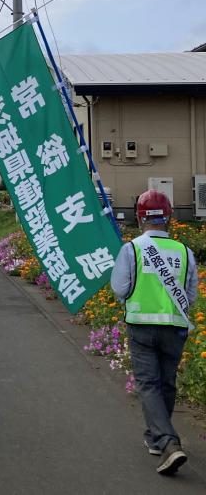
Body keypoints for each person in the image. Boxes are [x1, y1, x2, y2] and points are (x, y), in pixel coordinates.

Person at [111, 190, 197, 475]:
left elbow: (120, 289)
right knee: (166, 383)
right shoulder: (185, 252)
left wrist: (134, 300)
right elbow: (191, 295)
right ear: (169, 217)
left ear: (139, 217)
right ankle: (155, 438)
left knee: (148, 384)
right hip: (175, 327)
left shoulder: (132, 249)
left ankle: (169, 442)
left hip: (141, 326)